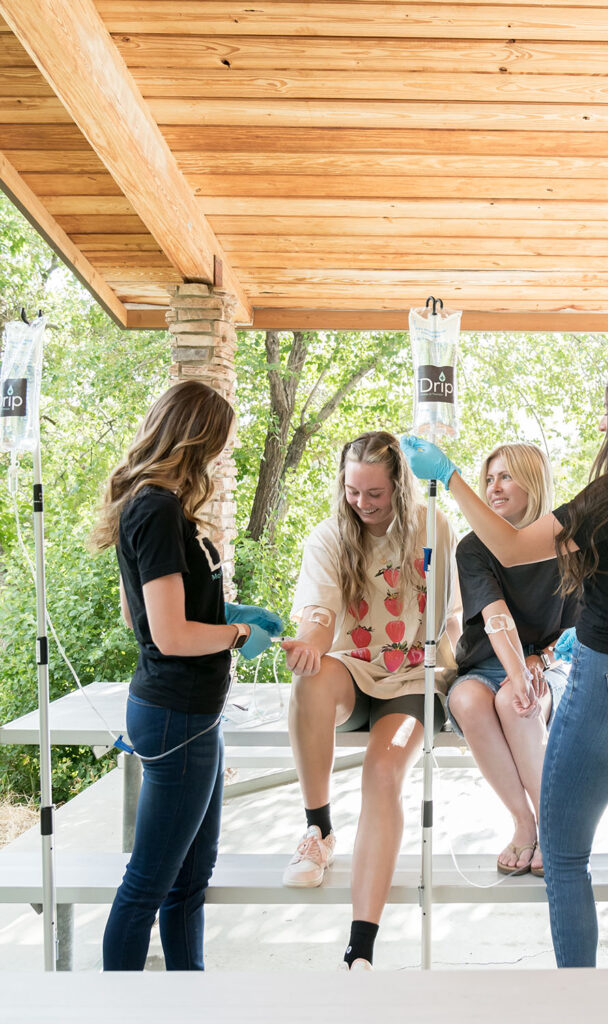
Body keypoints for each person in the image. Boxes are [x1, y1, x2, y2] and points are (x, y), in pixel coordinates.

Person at [401, 358, 608, 968]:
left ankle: (578, 1000)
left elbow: (513, 547)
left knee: (567, 853)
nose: (603, 419)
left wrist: (451, 475)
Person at [90, 381, 278, 971]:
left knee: (190, 879)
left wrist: (223, 614)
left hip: (191, 714)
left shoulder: (152, 505)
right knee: (149, 882)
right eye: (219, 447)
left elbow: (136, 614)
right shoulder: (158, 509)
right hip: (177, 714)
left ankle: (186, 995)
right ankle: (118, 1006)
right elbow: (170, 637)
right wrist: (239, 634)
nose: (222, 459)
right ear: (197, 441)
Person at [281, 430, 459, 971]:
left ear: (400, 486)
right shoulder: (330, 536)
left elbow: (450, 611)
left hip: (413, 675)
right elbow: (319, 611)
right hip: (355, 671)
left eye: (374, 494)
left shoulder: (433, 526)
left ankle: (361, 947)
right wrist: (310, 644)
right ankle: (318, 827)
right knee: (309, 680)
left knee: (382, 774)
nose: (362, 504)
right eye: (353, 492)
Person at [448, 443, 578, 877]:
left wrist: (533, 666)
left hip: (550, 663)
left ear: (532, 481)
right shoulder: (474, 547)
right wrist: (515, 670)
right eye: (488, 478)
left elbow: (571, 634)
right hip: (489, 663)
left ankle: (554, 829)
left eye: (505, 476)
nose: (493, 487)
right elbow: (494, 616)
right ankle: (524, 824)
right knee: (468, 701)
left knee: (513, 703)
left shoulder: (567, 544)